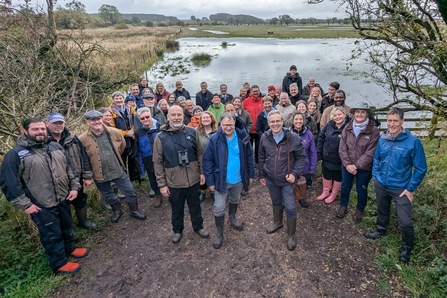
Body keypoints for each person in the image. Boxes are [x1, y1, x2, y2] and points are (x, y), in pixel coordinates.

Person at [0, 118, 88, 274]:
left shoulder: (54, 146)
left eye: (42, 129)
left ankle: (71, 249)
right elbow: (9, 183)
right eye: (35, 129)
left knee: (66, 226)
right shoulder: (15, 155)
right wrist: (25, 205)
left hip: (63, 197)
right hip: (40, 203)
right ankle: (59, 263)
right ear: (25, 131)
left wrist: (74, 187)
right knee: (51, 234)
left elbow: (70, 168)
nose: (40, 132)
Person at [365, 107, 427, 263]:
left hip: (401, 188)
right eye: (389, 120)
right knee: (382, 210)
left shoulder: (413, 142)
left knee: (405, 221)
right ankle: (380, 230)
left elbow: (421, 168)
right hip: (382, 184)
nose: (392, 124)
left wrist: (410, 188)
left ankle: (407, 247)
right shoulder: (383, 139)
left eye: (395, 121)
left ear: (402, 121)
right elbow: (377, 159)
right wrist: (375, 177)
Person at [153, 105, 210, 243]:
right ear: (168, 117)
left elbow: (200, 154)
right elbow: (157, 162)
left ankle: (198, 227)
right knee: (176, 208)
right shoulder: (160, 137)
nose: (177, 117)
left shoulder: (192, 132)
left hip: (193, 179)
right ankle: (177, 230)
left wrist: (202, 172)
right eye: (173, 115)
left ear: (183, 116)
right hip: (174, 182)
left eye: (179, 115)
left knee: (195, 206)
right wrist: (162, 185)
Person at [79, 110, 146, 223]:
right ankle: (117, 211)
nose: (96, 122)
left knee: (129, 191)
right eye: (93, 120)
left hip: (117, 169)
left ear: (101, 119)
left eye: (98, 119)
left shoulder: (114, 132)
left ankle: (134, 210)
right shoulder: (82, 139)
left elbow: (122, 146)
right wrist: (87, 176)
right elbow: (83, 158)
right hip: (99, 173)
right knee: (108, 194)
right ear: (87, 122)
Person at [203, 113, 255, 249]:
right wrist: (210, 182)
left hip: (238, 179)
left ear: (234, 124)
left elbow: (249, 156)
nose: (228, 127)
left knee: (235, 199)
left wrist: (250, 175)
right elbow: (207, 161)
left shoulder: (242, 136)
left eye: (231, 124)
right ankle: (219, 233)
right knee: (219, 207)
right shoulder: (215, 139)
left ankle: (232, 218)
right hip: (221, 180)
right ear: (220, 124)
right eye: (225, 125)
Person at [259, 111, 306, 251]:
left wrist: (294, 174)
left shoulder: (293, 138)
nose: (275, 124)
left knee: (290, 207)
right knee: (276, 202)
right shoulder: (264, 138)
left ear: (282, 122)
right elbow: (261, 157)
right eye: (272, 122)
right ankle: (278, 222)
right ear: (268, 123)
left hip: (287, 181)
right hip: (271, 179)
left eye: (277, 121)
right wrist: (262, 174)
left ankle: (291, 235)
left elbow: (301, 157)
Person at [46, 112, 97, 230]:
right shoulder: (43, 141)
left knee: (80, 200)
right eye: (55, 123)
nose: (58, 125)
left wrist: (87, 176)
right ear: (47, 123)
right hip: (55, 181)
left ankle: (83, 221)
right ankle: (66, 228)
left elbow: (83, 156)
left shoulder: (72, 138)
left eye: (61, 123)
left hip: (76, 177)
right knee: (62, 206)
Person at [337, 102, 380, 222]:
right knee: (345, 187)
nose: (360, 114)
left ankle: (360, 210)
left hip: (364, 168)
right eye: (357, 112)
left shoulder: (374, 131)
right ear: (354, 114)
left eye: (363, 112)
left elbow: (371, 152)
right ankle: (343, 206)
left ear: (367, 114)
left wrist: (356, 166)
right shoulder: (347, 127)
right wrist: (348, 164)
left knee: (361, 189)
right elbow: (342, 148)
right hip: (347, 165)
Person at [316, 107, 350, 204]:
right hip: (327, 157)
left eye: (339, 114)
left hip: (340, 159)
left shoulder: (348, 127)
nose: (337, 117)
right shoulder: (328, 125)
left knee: (337, 177)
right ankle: (325, 191)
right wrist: (319, 154)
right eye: (335, 115)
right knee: (326, 175)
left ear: (344, 114)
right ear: (332, 116)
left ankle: (334, 194)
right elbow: (321, 139)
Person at [134, 107, 163, 208]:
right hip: (148, 159)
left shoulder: (160, 127)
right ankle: (158, 195)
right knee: (153, 179)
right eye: (142, 118)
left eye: (147, 117)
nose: (145, 120)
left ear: (151, 116)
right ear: (139, 119)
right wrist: (141, 168)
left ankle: (172, 193)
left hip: (163, 157)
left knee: (168, 175)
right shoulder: (138, 133)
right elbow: (137, 151)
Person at [109, 91, 140, 183]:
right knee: (121, 160)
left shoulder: (130, 108)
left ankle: (134, 178)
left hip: (132, 139)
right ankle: (124, 180)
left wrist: (133, 130)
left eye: (120, 98)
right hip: (119, 140)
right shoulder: (110, 111)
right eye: (116, 98)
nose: (119, 100)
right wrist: (126, 133)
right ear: (113, 100)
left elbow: (136, 121)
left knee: (133, 158)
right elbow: (112, 128)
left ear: (123, 99)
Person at [290, 111, 317, 207]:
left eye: (300, 119)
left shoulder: (308, 134)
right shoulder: (287, 133)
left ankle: (301, 198)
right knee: (289, 185)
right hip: (291, 166)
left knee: (302, 184)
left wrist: (312, 167)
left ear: (303, 121)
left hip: (305, 165)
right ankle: (288, 200)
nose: (298, 121)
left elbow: (313, 151)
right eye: (296, 119)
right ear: (292, 121)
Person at [196, 111, 218, 201]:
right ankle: (203, 192)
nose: (206, 119)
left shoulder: (217, 131)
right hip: (201, 158)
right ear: (201, 120)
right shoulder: (196, 132)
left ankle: (213, 191)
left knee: (214, 174)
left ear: (211, 119)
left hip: (215, 158)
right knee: (202, 175)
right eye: (203, 118)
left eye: (208, 117)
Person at [242, 85, 264, 164]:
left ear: (259, 91)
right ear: (250, 92)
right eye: (254, 91)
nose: (255, 93)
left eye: (257, 91)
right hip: (249, 130)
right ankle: (249, 163)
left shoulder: (262, 101)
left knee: (259, 148)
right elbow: (242, 113)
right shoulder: (246, 101)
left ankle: (258, 163)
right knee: (249, 148)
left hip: (259, 130)